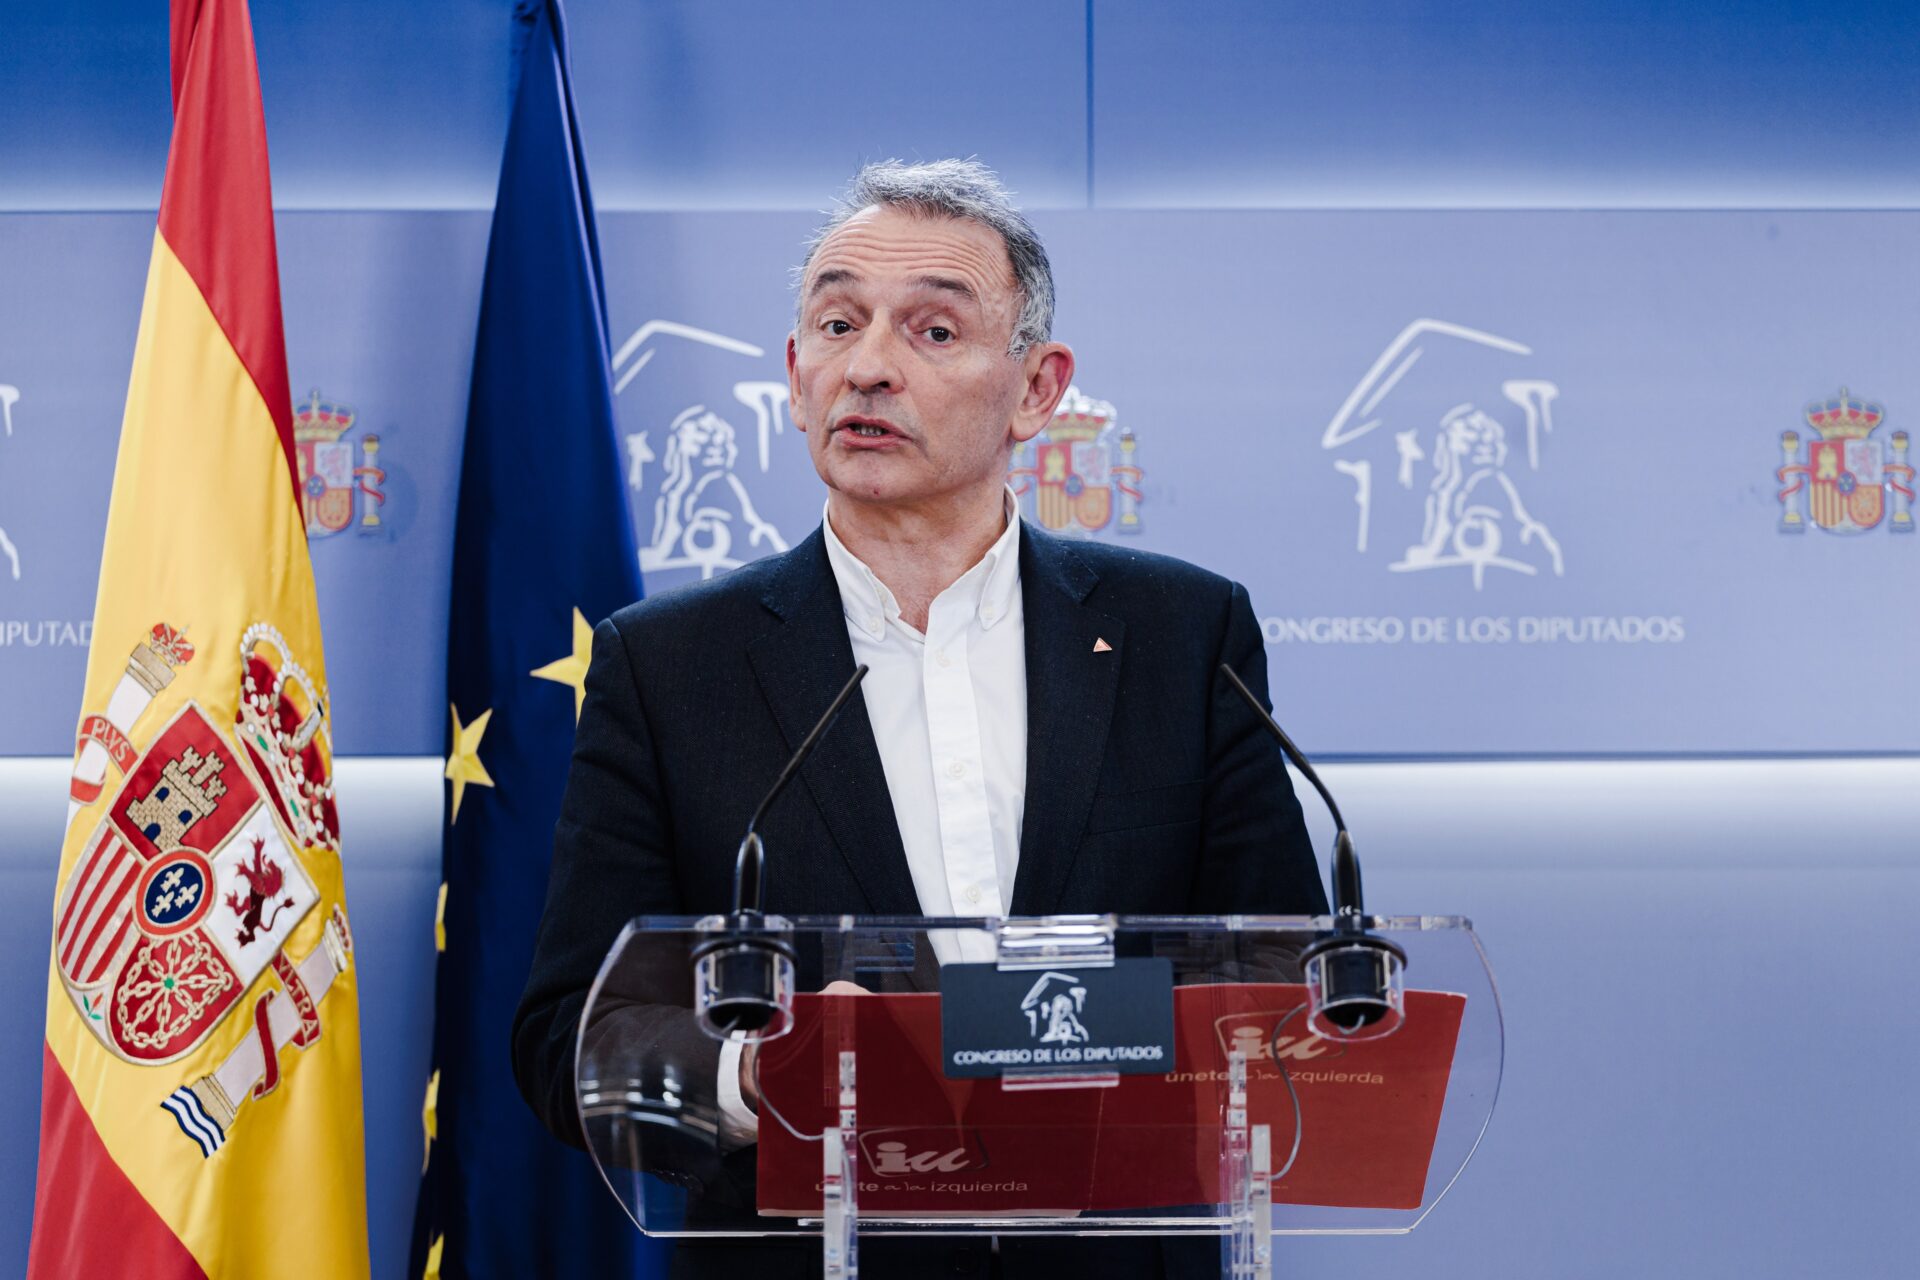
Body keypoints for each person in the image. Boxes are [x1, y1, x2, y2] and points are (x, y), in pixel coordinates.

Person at [513, 159, 1328, 1280]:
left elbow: (1282, 978)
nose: (869, 366)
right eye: (838, 324)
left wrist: (1079, 1033)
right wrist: (755, 1072)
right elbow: (571, 1037)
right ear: (795, 374)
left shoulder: (1181, 636)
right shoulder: (669, 667)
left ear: (1037, 389)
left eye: (934, 331)